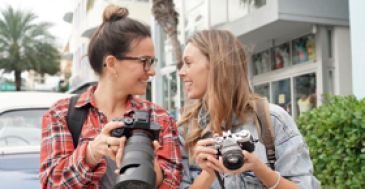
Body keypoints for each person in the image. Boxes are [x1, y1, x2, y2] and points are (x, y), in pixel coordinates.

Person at [39, 5, 182, 189]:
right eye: (144, 61)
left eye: (152, 62)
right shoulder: (62, 114)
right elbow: (51, 183)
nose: (152, 71)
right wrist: (90, 154)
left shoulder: (159, 118)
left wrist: (146, 163)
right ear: (112, 63)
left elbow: (174, 182)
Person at [177, 30, 320, 189]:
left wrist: (259, 169)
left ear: (216, 65)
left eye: (188, 63)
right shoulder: (186, 131)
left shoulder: (271, 119)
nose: (181, 72)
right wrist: (209, 172)